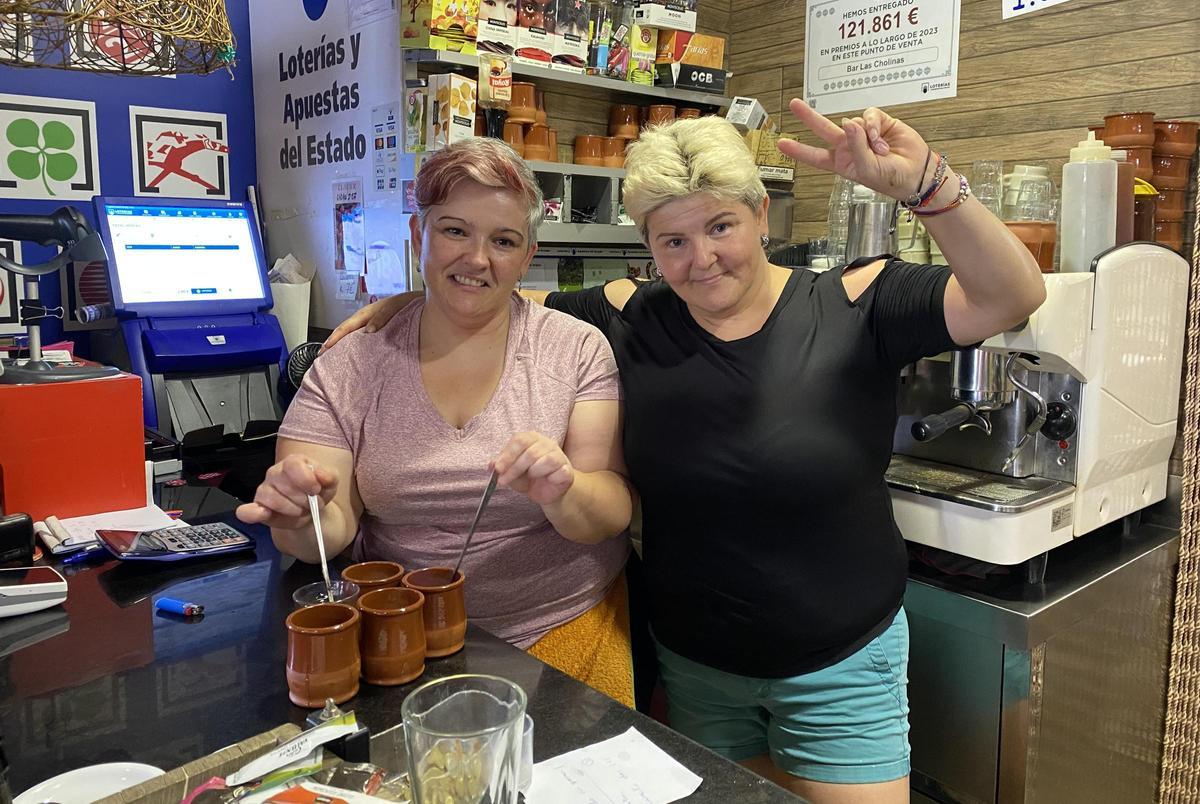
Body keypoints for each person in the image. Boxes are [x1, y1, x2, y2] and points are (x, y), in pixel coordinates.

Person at [323, 101, 1046, 803]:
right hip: (697, 670)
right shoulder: (630, 315)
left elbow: (1012, 295)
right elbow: (495, 293)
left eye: (721, 226)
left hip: (843, 662)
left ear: (762, 214)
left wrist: (928, 187)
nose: (701, 260)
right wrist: (402, 304)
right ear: (648, 245)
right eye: (672, 241)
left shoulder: (858, 303)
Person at [238, 138, 636, 705]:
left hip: (562, 632)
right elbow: (322, 536)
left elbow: (610, 511)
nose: (477, 259)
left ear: (526, 257)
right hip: (397, 640)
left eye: (503, 241)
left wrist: (563, 491)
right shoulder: (351, 364)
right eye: (455, 231)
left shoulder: (575, 350)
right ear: (419, 237)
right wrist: (301, 514)